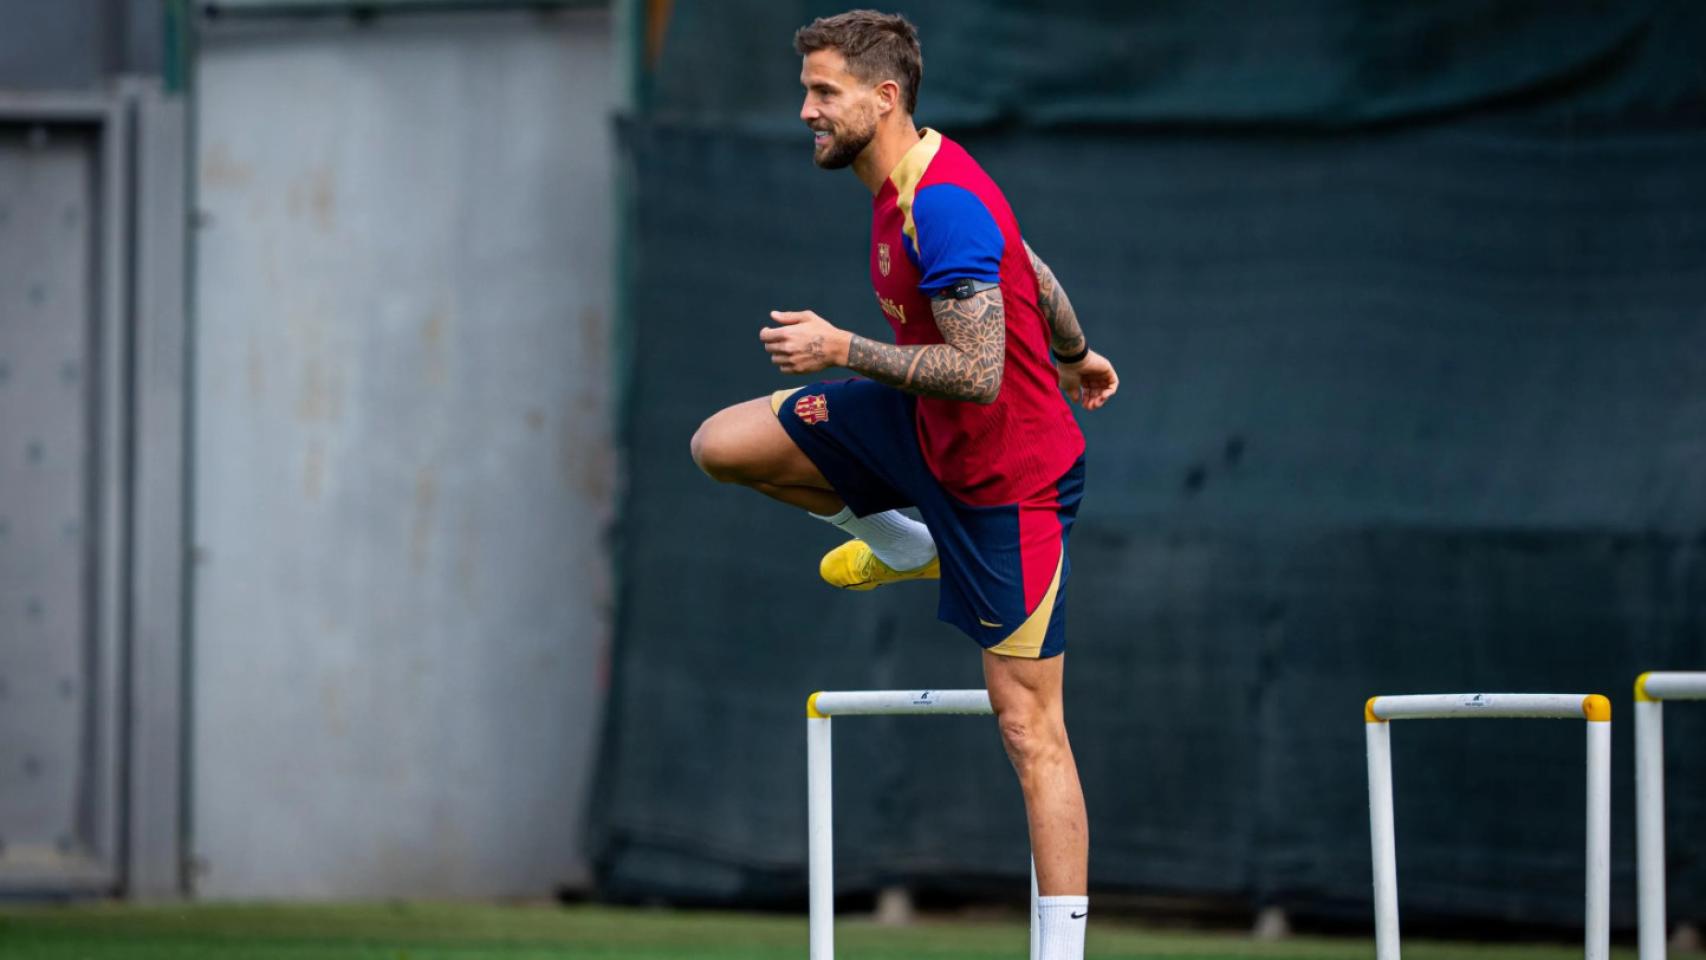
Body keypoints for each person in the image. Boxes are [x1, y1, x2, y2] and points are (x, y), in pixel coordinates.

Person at [689, 10, 1118, 959]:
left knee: (1027, 726)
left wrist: (841, 348)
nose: (805, 109)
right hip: (921, 430)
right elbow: (1031, 268)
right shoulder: (901, 177)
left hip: (1011, 483)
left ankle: (1062, 955)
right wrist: (1080, 350)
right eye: (806, 89)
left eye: (823, 92)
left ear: (884, 98)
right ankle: (904, 546)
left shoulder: (943, 203)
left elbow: (980, 371)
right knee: (724, 444)